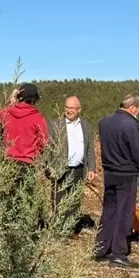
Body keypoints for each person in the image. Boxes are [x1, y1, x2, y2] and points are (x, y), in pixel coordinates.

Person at [95, 95, 139, 269]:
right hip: (126, 174)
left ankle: (101, 249)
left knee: (109, 211)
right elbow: (138, 151)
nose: (138, 113)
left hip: (109, 172)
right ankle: (118, 253)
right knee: (124, 213)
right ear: (133, 107)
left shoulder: (104, 122)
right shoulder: (130, 124)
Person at [47, 95, 96, 226]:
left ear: (79, 109)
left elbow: (90, 148)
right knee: (59, 200)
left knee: (74, 199)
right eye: (67, 107)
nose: (69, 110)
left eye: (72, 108)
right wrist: (49, 166)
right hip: (60, 169)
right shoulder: (56, 124)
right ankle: (57, 229)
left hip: (79, 169)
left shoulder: (85, 126)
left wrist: (91, 168)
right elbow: (48, 147)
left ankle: (70, 228)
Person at [0, 83, 48, 164]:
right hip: (29, 163)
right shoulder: (38, 118)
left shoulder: (6, 113)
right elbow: (44, 143)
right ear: (34, 100)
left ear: (18, 97)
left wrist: (11, 103)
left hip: (8, 162)